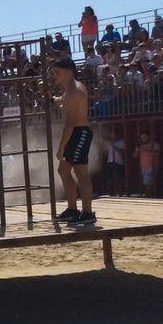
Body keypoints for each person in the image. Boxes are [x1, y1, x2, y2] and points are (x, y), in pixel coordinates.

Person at [52, 59, 95, 223]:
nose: (54, 76)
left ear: (69, 72)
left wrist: (61, 147)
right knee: (63, 171)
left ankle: (88, 213)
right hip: (76, 133)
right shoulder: (71, 88)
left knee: (81, 173)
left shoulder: (73, 91)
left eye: (57, 72)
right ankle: (72, 209)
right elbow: (64, 100)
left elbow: (70, 124)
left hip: (79, 133)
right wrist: (53, 100)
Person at [133, 132, 161, 197]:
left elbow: (156, 151)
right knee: (146, 182)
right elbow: (134, 156)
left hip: (152, 166)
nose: (143, 139)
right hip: (143, 166)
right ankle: (149, 195)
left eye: (144, 137)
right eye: (142, 138)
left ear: (149, 137)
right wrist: (136, 151)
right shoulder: (140, 145)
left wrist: (143, 149)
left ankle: (149, 196)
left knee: (148, 182)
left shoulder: (154, 144)